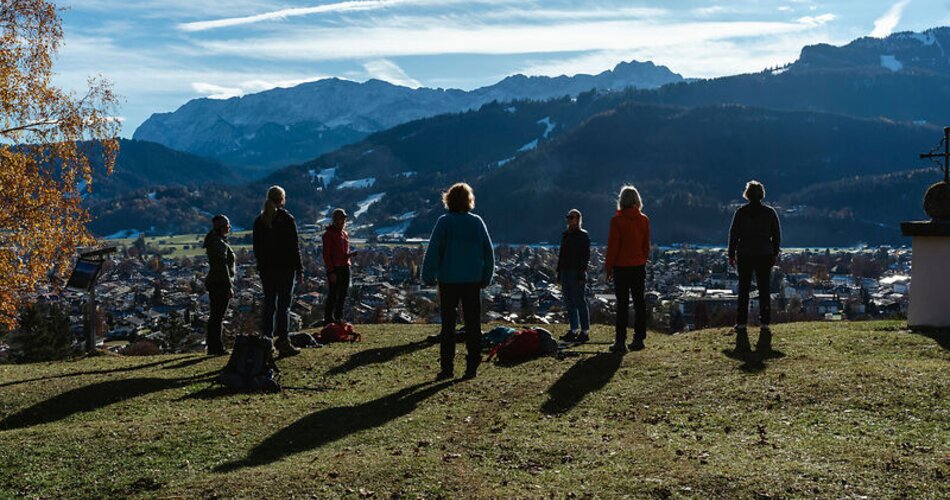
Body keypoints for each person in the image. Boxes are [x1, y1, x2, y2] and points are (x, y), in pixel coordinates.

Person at [421, 182, 494, 380]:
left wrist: (427, 276)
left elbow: (433, 251)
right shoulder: (477, 222)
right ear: (469, 200)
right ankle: (472, 367)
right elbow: (489, 253)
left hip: (449, 281)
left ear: (449, 200)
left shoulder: (444, 222)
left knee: (448, 326)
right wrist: (486, 276)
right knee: (473, 324)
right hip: (472, 281)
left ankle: (447, 368)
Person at [728, 180, 781, 354]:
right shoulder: (770, 213)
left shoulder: (741, 213)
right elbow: (776, 235)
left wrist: (731, 253)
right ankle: (765, 322)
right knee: (764, 288)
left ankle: (741, 322)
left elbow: (733, 234)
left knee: (743, 289)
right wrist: (774, 253)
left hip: (745, 254)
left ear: (747, 195)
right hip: (764, 254)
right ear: (762, 194)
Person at [252, 185, 304, 357]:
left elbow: (257, 249)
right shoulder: (287, 219)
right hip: (285, 269)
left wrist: (262, 266)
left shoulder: (259, 221)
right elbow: (294, 247)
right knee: (284, 306)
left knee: (269, 305)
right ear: (282, 199)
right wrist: (299, 268)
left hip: (267, 270)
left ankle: (266, 342)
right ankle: (283, 342)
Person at [605, 185, 650, 353]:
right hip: (638, 266)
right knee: (640, 303)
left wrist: (609, 268)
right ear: (637, 200)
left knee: (622, 304)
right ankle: (639, 339)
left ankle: (620, 341)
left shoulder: (616, 221)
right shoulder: (644, 219)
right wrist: (642, 259)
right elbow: (646, 245)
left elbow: (613, 247)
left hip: (621, 268)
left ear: (621, 201)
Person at [203, 214, 235, 356]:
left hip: (216, 282)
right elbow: (222, 266)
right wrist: (228, 286)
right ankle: (216, 347)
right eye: (227, 226)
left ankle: (213, 346)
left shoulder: (215, 241)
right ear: (222, 227)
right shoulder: (218, 243)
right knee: (217, 316)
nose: (229, 229)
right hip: (219, 283)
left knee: (215, 316)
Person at [557, 209, 591, 343]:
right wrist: (559, 272)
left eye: (572, 217)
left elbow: (585, 256)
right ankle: (574, 329)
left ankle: (585, 331)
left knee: (580, 301)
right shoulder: (565, 235)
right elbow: (562, 255)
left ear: (578, 219)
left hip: (576, 272)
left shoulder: (583, 235)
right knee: (569, 301)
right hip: (565, 271)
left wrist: (581, 273)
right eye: (568, 217)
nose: (569, 220)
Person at [322, 208, 355, 325]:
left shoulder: (344, 234)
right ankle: (328, 318)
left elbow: (343, 251)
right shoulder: (328, 234)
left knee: (343, 294)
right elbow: (326, 254)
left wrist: (350, 255)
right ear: (336, 219)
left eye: (345, 218)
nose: (344, 220)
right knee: (333, 293)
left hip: (345, 266)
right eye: (342, 218)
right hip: (335, 268)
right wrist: (331, 271)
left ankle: (338, 317)